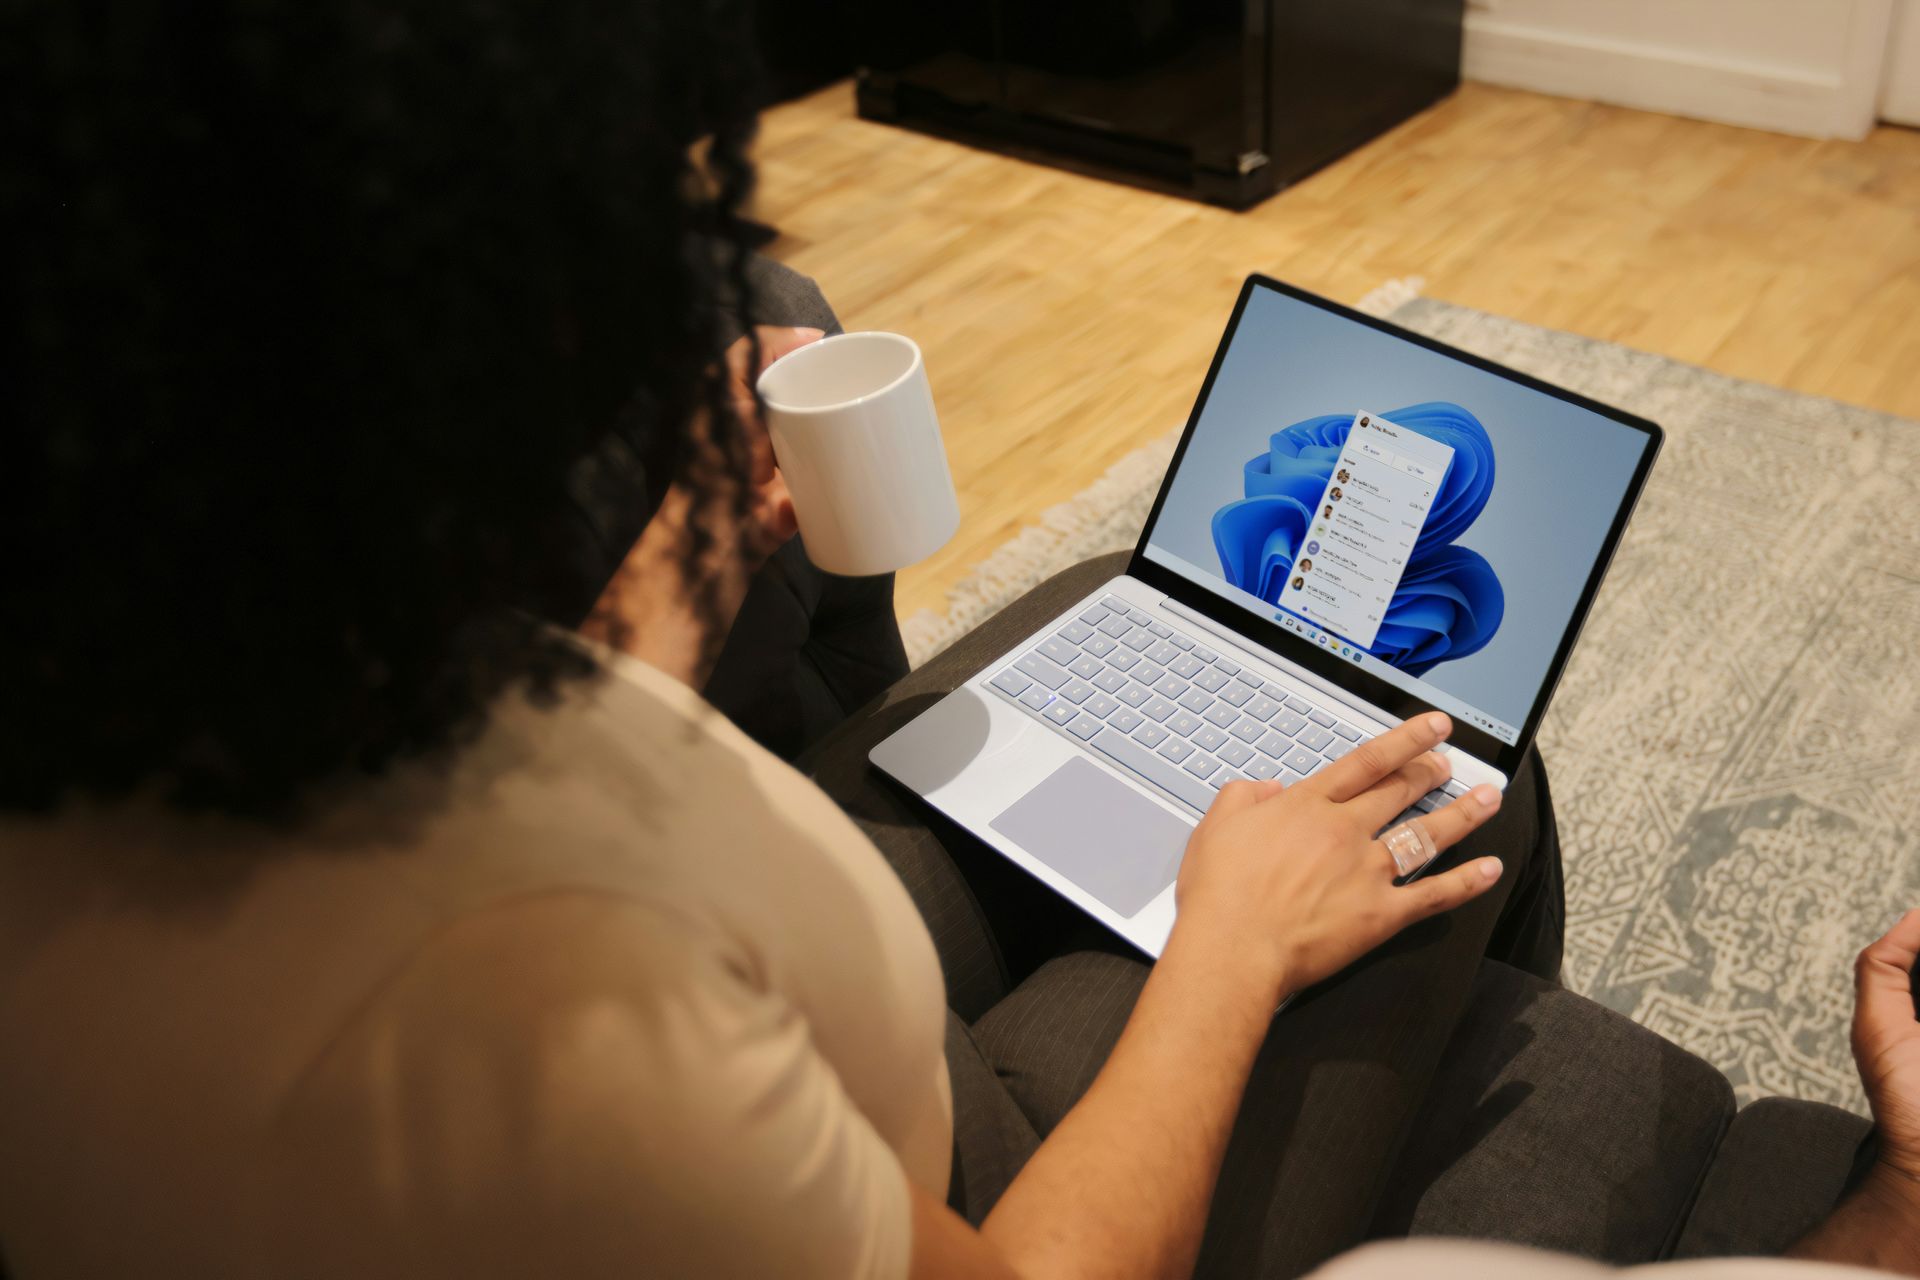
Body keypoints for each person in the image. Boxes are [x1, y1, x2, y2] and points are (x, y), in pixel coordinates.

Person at [4, 5, 1914, 1279]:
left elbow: (500, 750)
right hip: (983, 1187)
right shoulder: (510, 1003)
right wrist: (1232, 949)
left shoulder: (180, 680)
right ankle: (1486, 1083)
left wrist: (667, 576)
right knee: (1450, 787)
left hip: (783, 975)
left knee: (1115, 614)